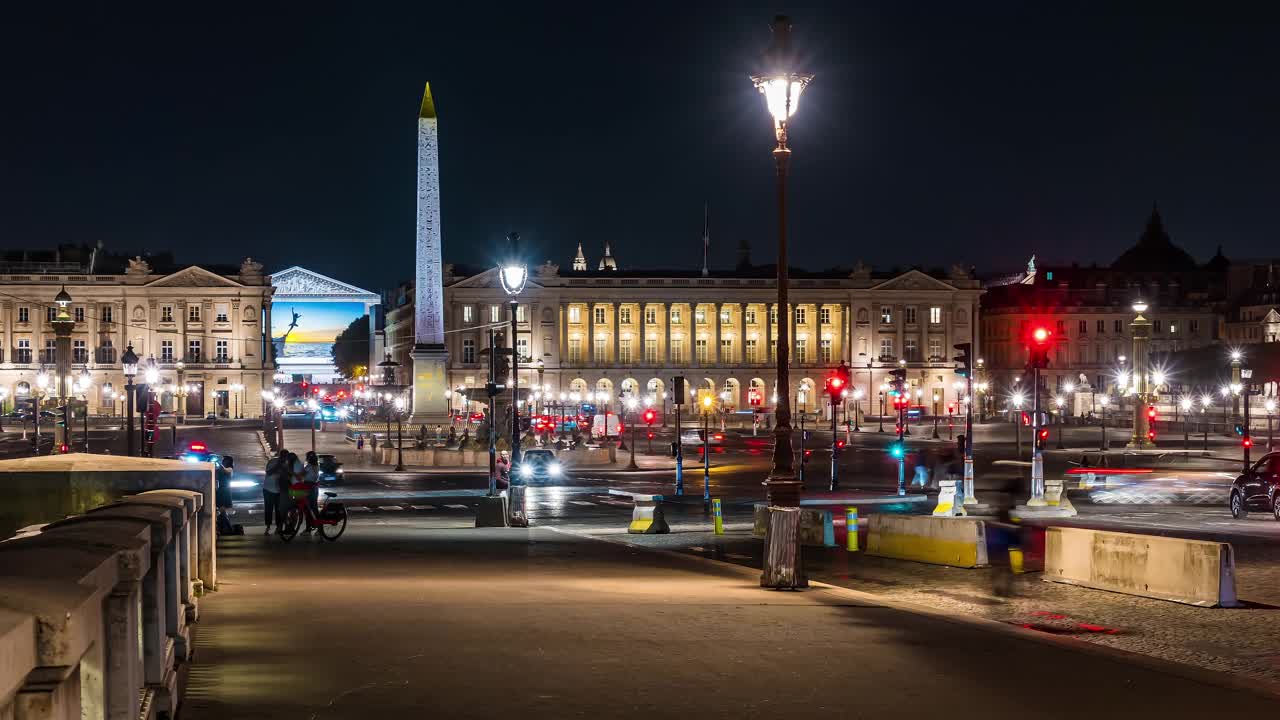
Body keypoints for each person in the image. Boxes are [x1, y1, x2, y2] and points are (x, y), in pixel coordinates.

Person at [263, 449, 288, 534]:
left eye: (285, 457)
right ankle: (268, 527)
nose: (284, 459)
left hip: (279, 490)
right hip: (268, 489)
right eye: (283, 456)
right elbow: (268, 472)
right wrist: (278, 466)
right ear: (280, 456)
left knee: (279, 509)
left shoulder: (287, 464)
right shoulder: (273, 461)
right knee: (268, 509)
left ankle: (278, 527)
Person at [303, 451, 321, 533]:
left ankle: (309, 527)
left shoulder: (308, 466)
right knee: (314, 508)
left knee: (307, 508)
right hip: (314, 488)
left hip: (308, 488)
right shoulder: (317, 466)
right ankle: (317, 526)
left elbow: (301, 474)